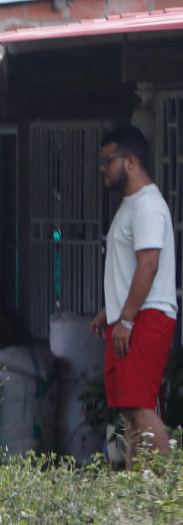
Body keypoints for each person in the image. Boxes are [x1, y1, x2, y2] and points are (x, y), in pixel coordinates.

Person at [87, 125, 178, 468]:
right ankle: (136, 492)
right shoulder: (132, 205)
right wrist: (110, 310)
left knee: (140, 407)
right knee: (129, 409)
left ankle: (171, 488)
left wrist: (125, 318)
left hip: (145, 317)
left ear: (131, 161)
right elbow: (130, 270)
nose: (102, 167)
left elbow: (149, 266)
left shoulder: (147, 206)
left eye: (107, 160)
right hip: (129, 315)